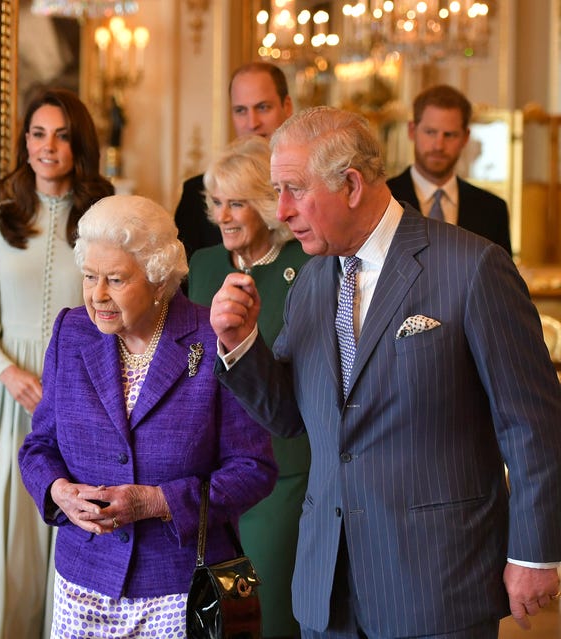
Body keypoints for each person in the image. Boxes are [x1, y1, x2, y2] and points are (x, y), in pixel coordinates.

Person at [210, 106, 561, 639]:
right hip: (327, 588)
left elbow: (532, 425)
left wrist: (535, 554)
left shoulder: (472, 268)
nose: (281, 211)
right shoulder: (310, 280)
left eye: (294, 190)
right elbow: (289, 418)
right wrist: (239, 345)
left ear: (350, 184)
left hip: (438, 584)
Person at [18, 194, 277, 638]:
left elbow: (254, 469)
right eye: (89, 277)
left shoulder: (211, 337)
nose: (97, 295)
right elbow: (38, 446)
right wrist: (58, 491)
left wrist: (157, 503)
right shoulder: (70, 331)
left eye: (115, 280)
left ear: (159, 280)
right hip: (83, 582)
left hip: (180, 588)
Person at [0, 88, 115, 639]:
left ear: (79, 144)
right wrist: (8, 372)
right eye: (38, 133)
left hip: (85, 403)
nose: (48, 146)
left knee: (72, 537)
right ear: (25, 142)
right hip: (11, 401)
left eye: (62, 135)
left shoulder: (103, 219)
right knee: (12, 539)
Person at [188, 134, 311, 638]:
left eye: (237, 202)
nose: (224, 215)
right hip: (214, 480)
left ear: (266, 202)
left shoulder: (307, 266)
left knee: (271, 612)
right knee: (225, 614)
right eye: (217, 202)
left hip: (282, 472)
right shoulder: (203, 265)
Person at [174, 61, 293, 262]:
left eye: (263, 107)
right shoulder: (196, 194)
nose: (252, 123)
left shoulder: (308, 189)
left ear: (287, 106)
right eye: (240, 110)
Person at [387, 84, 512, 255]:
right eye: (430, 132)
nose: (439, 145)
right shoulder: (385, 199)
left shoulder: (492, 210)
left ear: (465, 138)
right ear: (412, 131)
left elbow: (500, 279)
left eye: (449, 135)